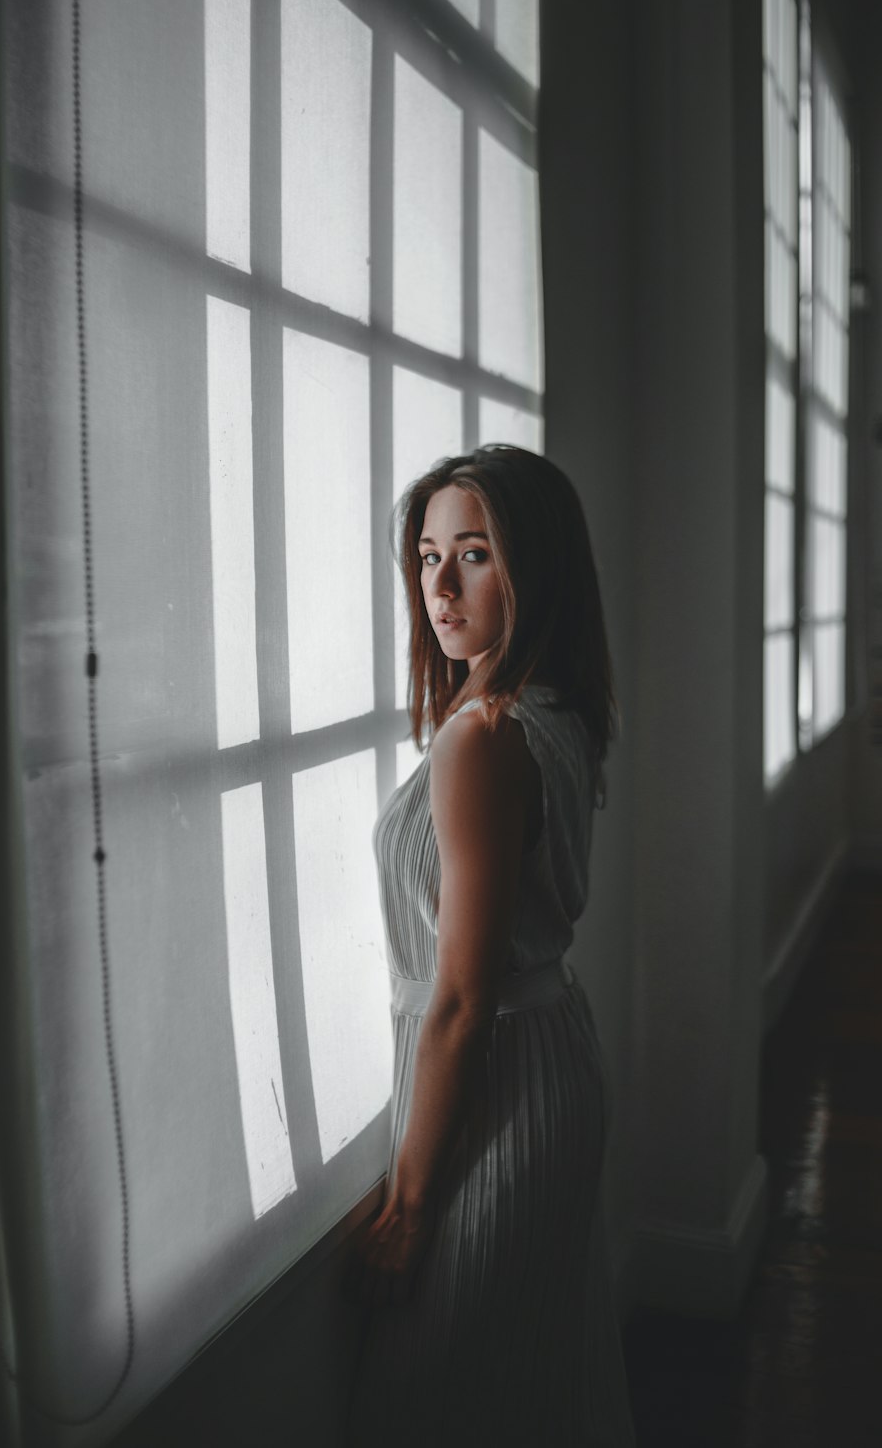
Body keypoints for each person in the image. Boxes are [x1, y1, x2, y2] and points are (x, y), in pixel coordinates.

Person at [345, 446, 636, 1446]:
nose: (440, 584)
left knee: (443, 1392)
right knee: (529, 1376)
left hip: (498, 1086)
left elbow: (461, 1000)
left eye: (473, 553)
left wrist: (410, 1207)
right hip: (548, 1055)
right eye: (427, 556)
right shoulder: (559, 714)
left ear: (534, 566)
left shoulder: (483, 738)